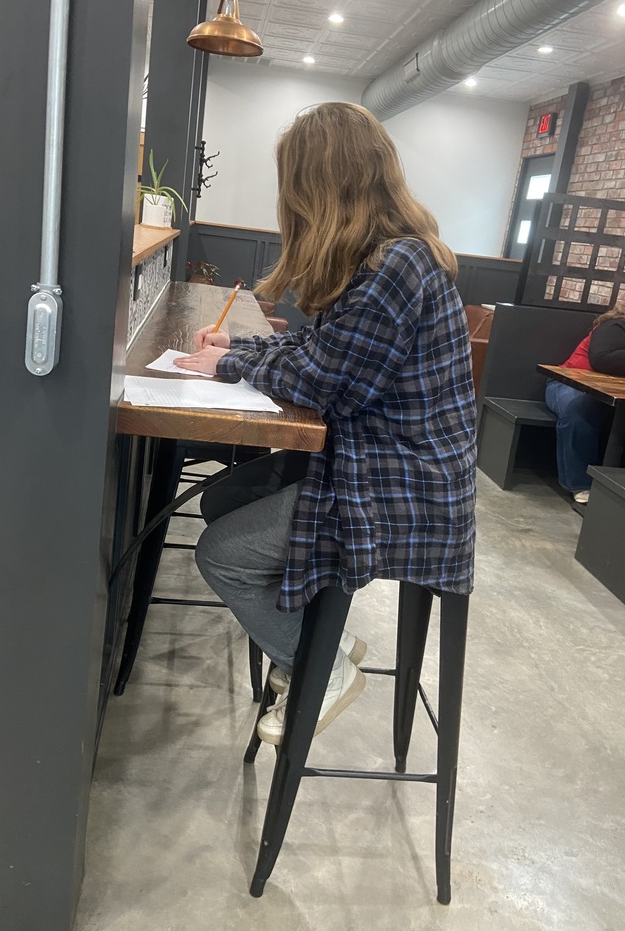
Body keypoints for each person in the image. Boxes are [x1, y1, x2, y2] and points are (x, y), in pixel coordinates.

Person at [174, 102, 476, 745]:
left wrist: (231, 365)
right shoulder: (384, 259)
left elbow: (327, 384)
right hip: (384, 463)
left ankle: (323, 665)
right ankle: (317, 637)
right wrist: (237, 350)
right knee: (224, 499)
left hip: (404, 489)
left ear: (320, 188)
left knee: (222, 555)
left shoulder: (396, 268)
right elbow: (323, 351)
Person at [545, 281, 625, 505]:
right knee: (578, 410)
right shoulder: (619, 325)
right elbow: (603, 360)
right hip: (571, 384)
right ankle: (580, 484)